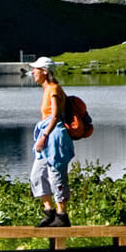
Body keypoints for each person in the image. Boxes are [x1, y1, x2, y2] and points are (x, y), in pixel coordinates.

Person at [28, 56, 89, 228]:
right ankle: (49, 212)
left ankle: (62, 215)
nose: (33, 72)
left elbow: (55, 116)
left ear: (45, 72)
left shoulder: (54, 89)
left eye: (36, 69)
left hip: (54, 136)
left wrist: (43, 136)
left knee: (56, 174)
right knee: (37, 175)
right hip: (48, 134)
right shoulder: (47, 89)